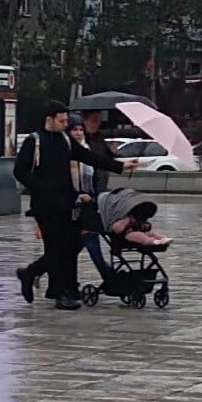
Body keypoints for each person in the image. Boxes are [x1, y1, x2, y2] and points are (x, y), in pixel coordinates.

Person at [14, 101, 132, 310]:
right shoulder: (35, 141)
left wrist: (119, 166)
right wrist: (42, 188)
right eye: (61, 121)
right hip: (45, 205)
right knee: (56, 247)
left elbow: (88, 156)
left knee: (72, 245)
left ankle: (31, 273)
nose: (65, 124)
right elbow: (20, 171)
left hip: (68, 203)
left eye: (66, 120)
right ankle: (61, 293)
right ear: (49, 119)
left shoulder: (65, 140)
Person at [68, 116, 114, 282]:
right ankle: (108, 276)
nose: (79, 133)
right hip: (72, 207)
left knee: (74, 247)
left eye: (81, 130)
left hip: (89, 204)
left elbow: (97, 173)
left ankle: (35, 271)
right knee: (88, 240)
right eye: (75, 130)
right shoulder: (65, 153)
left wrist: (95, 196)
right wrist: (78, 194)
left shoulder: (88, 150)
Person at [81, 110, 115, 193]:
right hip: (88, 180)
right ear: (84, 121)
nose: (97, 124)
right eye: (94, 121)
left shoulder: (99, 137)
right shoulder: (80, 139)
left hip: (101, 179)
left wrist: (112, 152)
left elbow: (106, 157)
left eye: (99, 121)